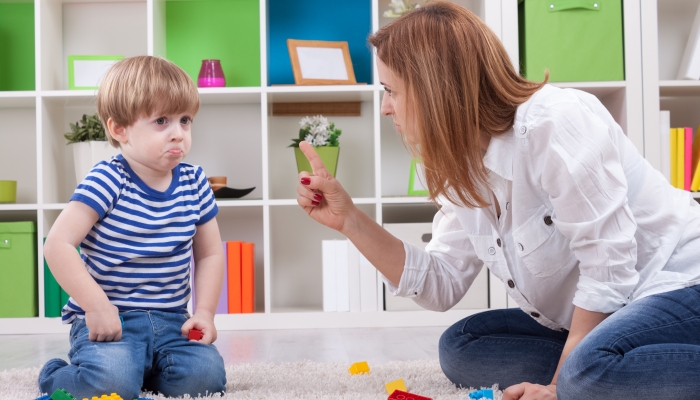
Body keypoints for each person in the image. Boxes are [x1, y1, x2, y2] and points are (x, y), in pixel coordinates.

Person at [295, 3, 700, 399]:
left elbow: (609, 269)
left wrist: (558, 387)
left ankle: (588, 374)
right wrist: (349, 219)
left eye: (390, 91)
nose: (385, 108)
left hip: (678, 284)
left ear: (434, 89)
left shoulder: (555, 123)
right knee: (462, 346)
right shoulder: (460, 164)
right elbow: (442, 283)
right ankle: (602, 368)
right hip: (613, 310)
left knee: (581, 378)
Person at [39, 56, 227, 399]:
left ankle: (141, 370)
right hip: (111, 322)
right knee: (110, 383)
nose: (178, 133)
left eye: (185, 120)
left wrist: (204, 313)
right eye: (161, 121)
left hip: (173, 322)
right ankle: (57, 375)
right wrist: (97, 307)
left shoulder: (195, 182)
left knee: (206, 378)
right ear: (119, 129)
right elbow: (57, 244)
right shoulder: (107, 179)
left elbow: (211, 254)